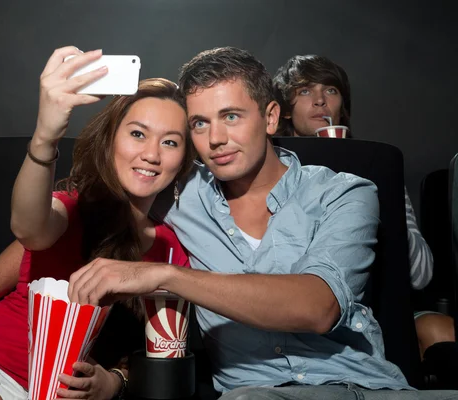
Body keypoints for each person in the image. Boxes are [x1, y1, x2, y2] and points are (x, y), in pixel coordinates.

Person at [62, 47, 458, 399]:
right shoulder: (181, 195)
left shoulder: (344, 192)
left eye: (231, 116)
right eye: (199, 123)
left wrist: (163, 276)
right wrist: (50, 132)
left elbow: (318, 306)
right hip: (255, 393)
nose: (215, 138)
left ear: (270, 117)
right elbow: (67, 215)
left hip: (366, 387)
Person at [0, 48, 195, 400]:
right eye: (138, 134)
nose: (152, 154)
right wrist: (45, 137)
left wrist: (115, 380)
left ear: (184, 160)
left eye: (170, 142)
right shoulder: (73, 206)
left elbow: (159, 348)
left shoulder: (173, 251)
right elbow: (29, 229)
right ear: (112, 139)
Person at [273, 54, 453, 359]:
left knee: (443, 331)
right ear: (286, 111)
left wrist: (379, 196)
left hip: (380, 309)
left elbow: (421, 275)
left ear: (343, 106)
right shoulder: (271, 169)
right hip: (302, 312)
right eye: (305, 91)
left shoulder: (378, 167)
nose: (319, 101)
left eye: (330, 90)